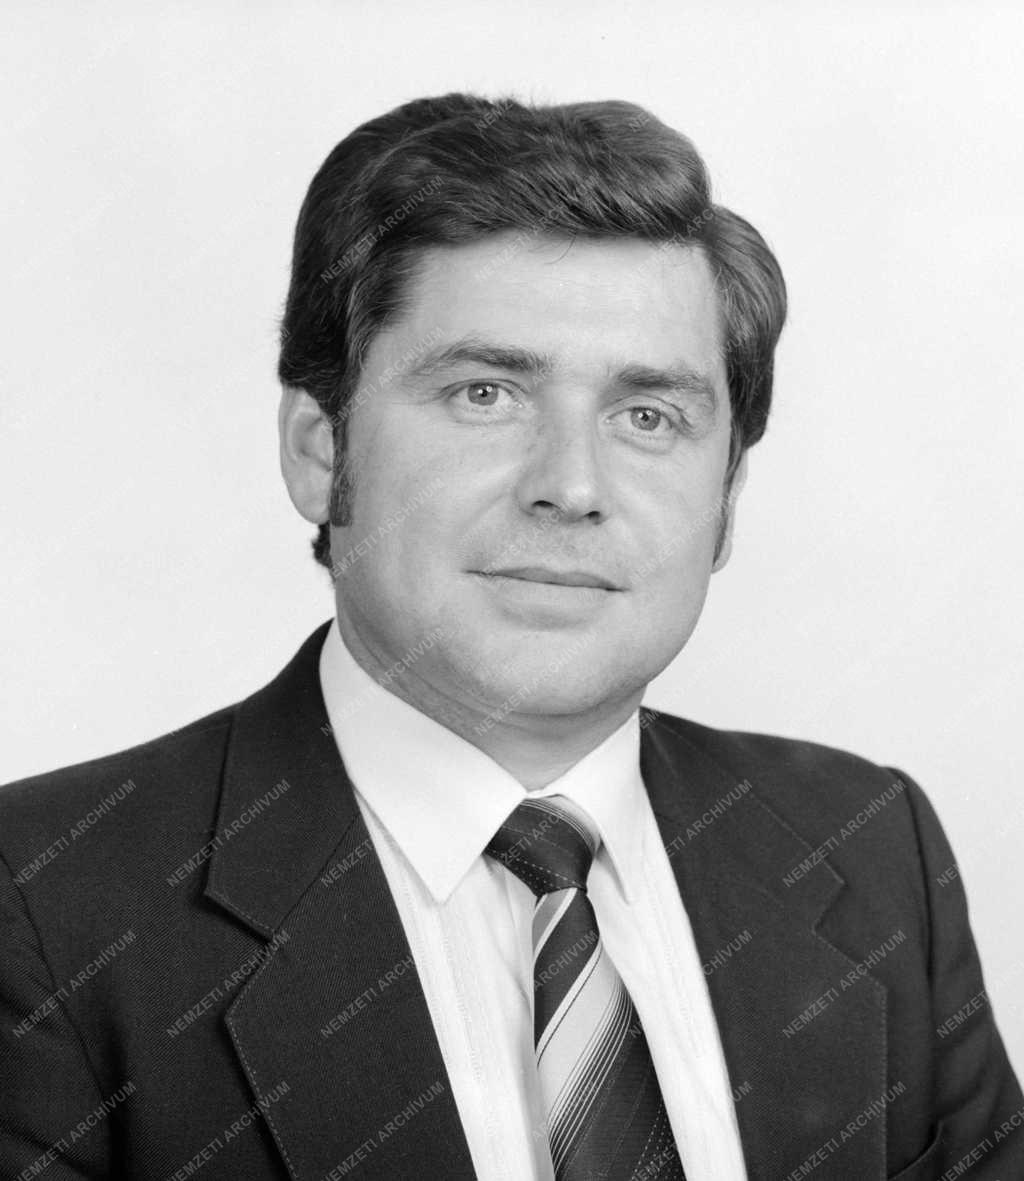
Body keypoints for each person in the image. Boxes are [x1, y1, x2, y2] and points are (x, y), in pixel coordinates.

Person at [1, 93, 1019, 1181]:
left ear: (725, 498)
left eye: (648, 416)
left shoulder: (867, 848)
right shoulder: (42, 909)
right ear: (318, 451)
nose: (571, 486)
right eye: (484, 393)